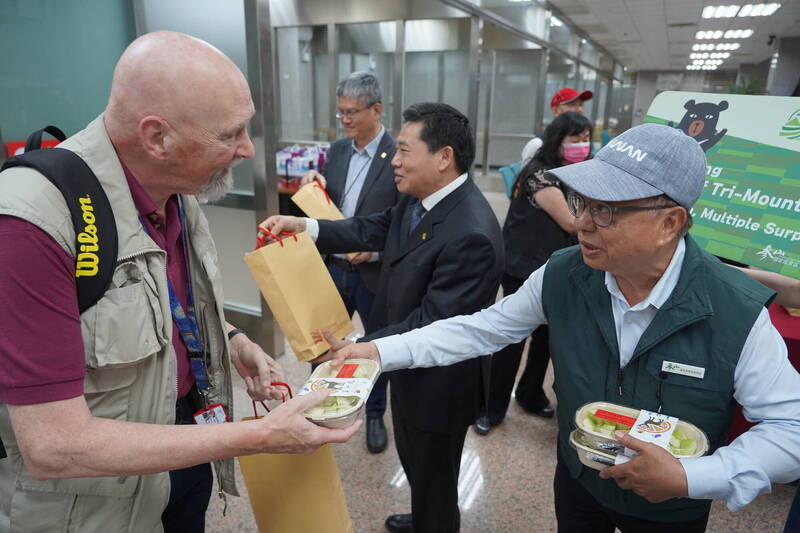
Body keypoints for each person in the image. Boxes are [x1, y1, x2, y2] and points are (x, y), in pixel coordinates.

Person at [321, 123, 800, 532]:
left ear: (669, 222)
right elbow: (484, 328)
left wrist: (695, 478)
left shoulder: (735, 310)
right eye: (581, 202)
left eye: (606, 210)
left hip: (669, 506)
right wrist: (379, 352)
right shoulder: (565, 273)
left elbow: (790, 429)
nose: (583, 223)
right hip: (578, 480)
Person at [0, 31, 359, 533]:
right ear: (157, 137)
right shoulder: (33, 223)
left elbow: (158, 301)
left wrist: (234, 342)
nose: (245, 149)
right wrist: (258, 436)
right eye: (229, 133)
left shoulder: (178, 192)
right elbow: (53, 446)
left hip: (181, 463)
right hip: (93, 508)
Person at [260, 102, 504, 533]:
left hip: (440, 383)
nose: (395, 159)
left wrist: (363, 348)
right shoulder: (420, 201)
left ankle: (435, 523)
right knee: (418, 465)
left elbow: (436, 323)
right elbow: (372, 227)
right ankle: (425, 515)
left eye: (406, 150)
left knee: (435, 472)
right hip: (409, 368)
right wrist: (308, 228)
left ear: (443, 157)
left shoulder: (471, 232)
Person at [300, 71, 401, 454]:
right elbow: (331, 206)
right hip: (334, 269)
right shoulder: (339, 151)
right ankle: (316, 405)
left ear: (376, 110)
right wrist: (315, 181)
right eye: (340, 112)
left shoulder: (396, 156)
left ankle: (374, 414)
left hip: (374, 272)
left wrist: (375, 251)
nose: (344, 120)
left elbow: (399, 220)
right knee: (320, 343)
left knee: (375, 345)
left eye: (352, 112)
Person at [474, 112, 592, 435]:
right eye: (575, 139)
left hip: (557, 268)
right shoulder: (539, 174)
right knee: (511, 340)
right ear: (558, 140)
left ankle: (529, 393)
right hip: (523, 268)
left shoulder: (576, 172)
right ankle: (490, 407)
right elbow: (571, 221)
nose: (582, 145)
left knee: (546, 341)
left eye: (586, 139)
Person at [521, 87, 593, 164]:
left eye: (580, 105)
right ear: (555, 110)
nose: (579, 109)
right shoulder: (537, 144)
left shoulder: (584, 142)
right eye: (572, 104)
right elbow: (526, 174)